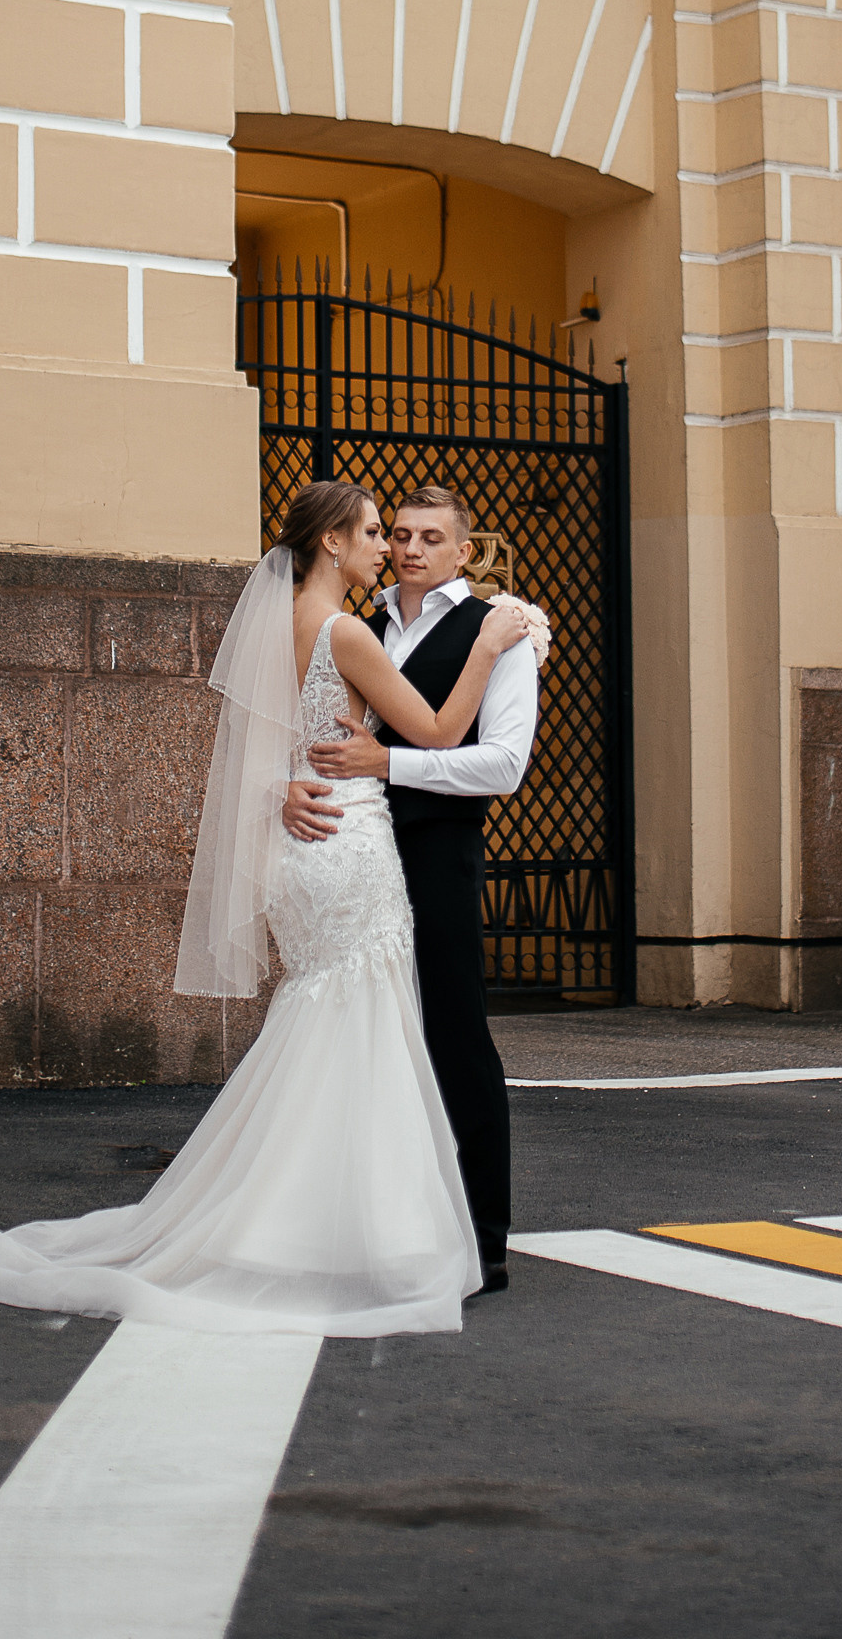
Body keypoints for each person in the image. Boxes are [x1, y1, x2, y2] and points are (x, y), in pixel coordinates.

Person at [0, 480, 541, 1335]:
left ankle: (323, 1222)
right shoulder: (350, 629)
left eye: (413, 536)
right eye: (379, 532)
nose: (393, 548)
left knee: (332, 1024)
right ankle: (354, 1230)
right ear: (333, 542)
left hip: (314, 848)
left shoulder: (287, 624)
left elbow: (263, 748)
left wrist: (281, 792)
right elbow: (442, 734)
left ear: (460, 550)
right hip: (351, 849)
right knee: (361, 1028)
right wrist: (488, 647)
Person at [285, 486, 537, 1297]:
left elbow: (501, 765)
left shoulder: (505, 630)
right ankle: (373, 1221)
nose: (411, 548)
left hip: (435, 853)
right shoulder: (362, 617)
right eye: (397, 534)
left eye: (432, 537)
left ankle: (485, 1237)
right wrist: (285, 789)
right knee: (375, 1039)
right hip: (352, 849)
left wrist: (389, 765)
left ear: (465, 552)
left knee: (455, 1037)